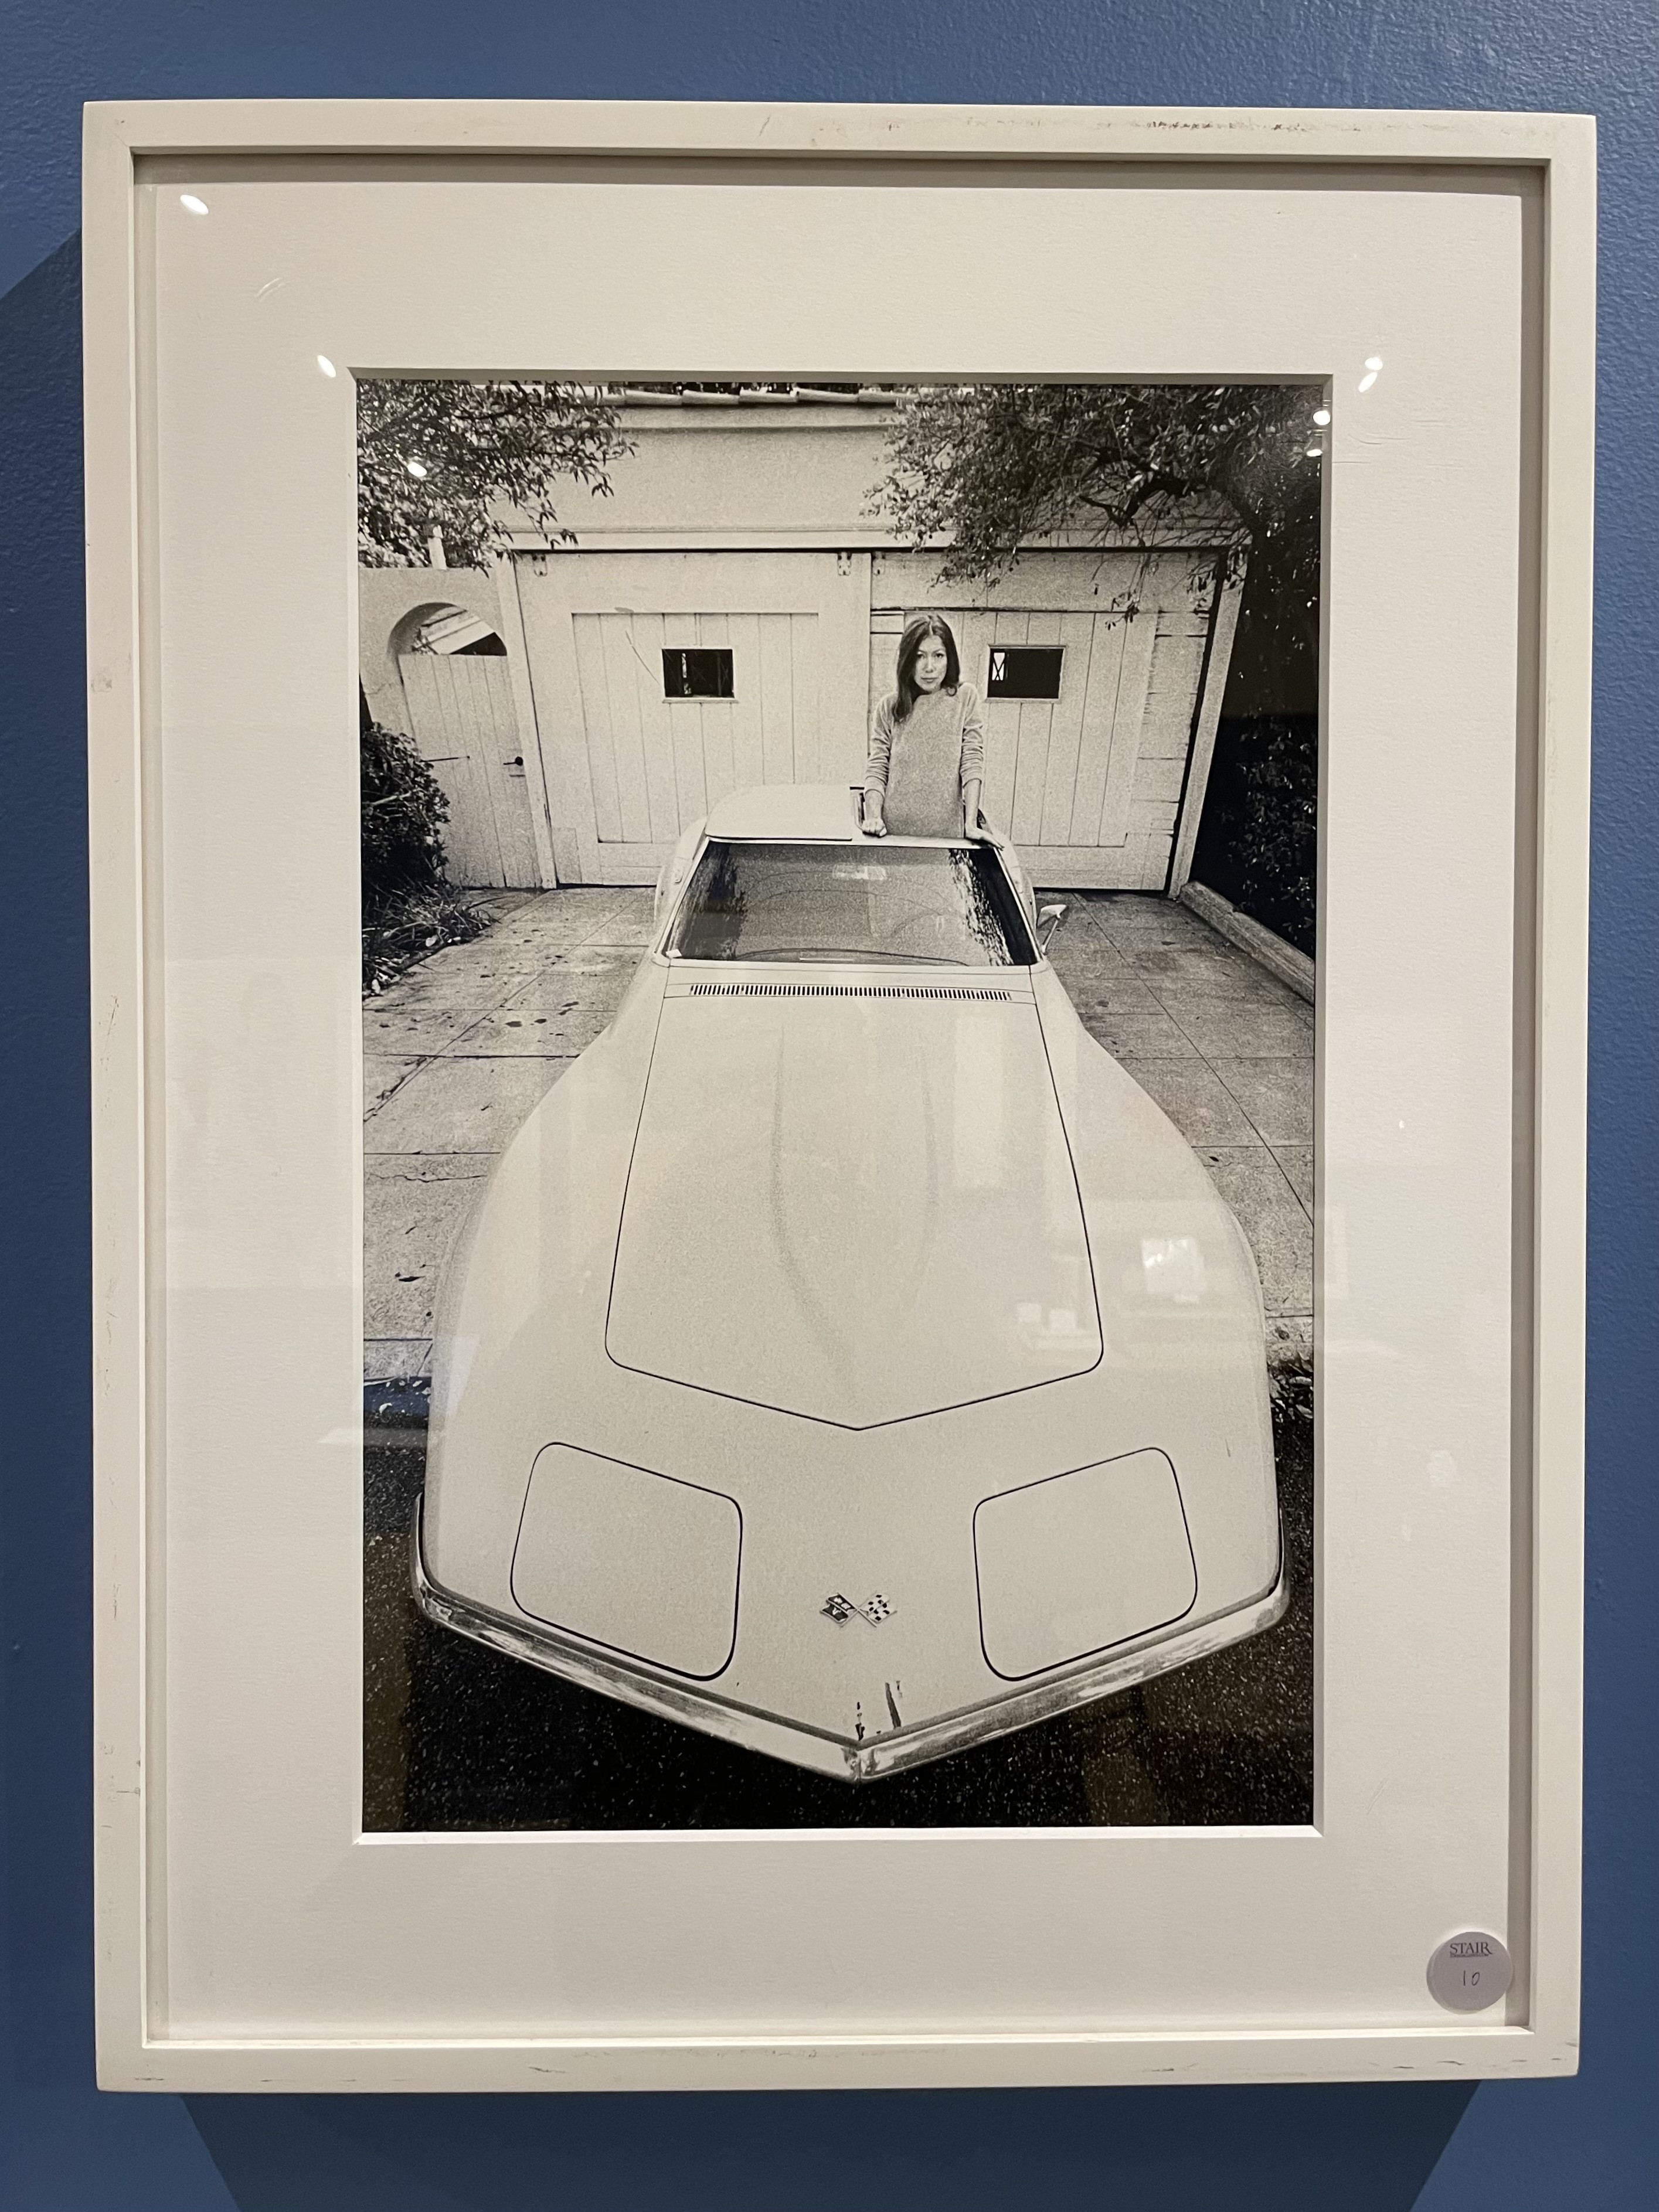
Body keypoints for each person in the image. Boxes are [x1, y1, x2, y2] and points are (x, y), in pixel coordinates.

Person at [861, 615, 988, 840]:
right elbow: (878, 768)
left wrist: (971, 825)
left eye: (938, 656)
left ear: (950, 659)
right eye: (920, 657)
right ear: (908, 661)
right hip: (893, 840)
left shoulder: (965, 698)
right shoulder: (889, 708)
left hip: (948, 844)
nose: (929, 667)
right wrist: (873, 817)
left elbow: (972, 761)